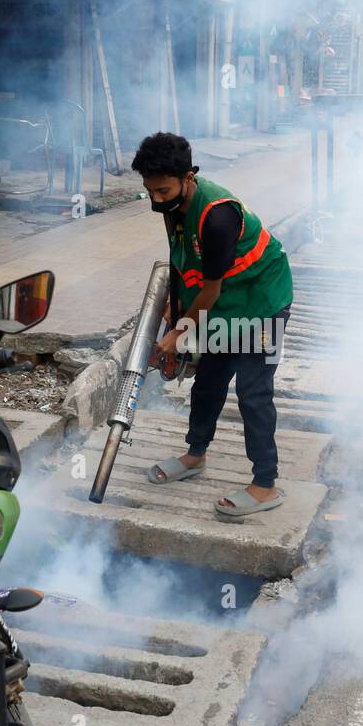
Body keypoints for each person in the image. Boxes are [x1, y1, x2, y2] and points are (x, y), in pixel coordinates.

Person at [131, 132, 294, 517]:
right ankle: (195, 455)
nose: (156, 199)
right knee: (208, 383)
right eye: (149, 191)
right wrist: (175, 305)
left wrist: (178, 332)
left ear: (189, 177)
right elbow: (181, 258)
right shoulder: (174, 205)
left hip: (263, 304)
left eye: (163, 190)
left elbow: (212, 289)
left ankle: (266, 485)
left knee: (253, 393)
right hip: (225, 307)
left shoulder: (218, 216)